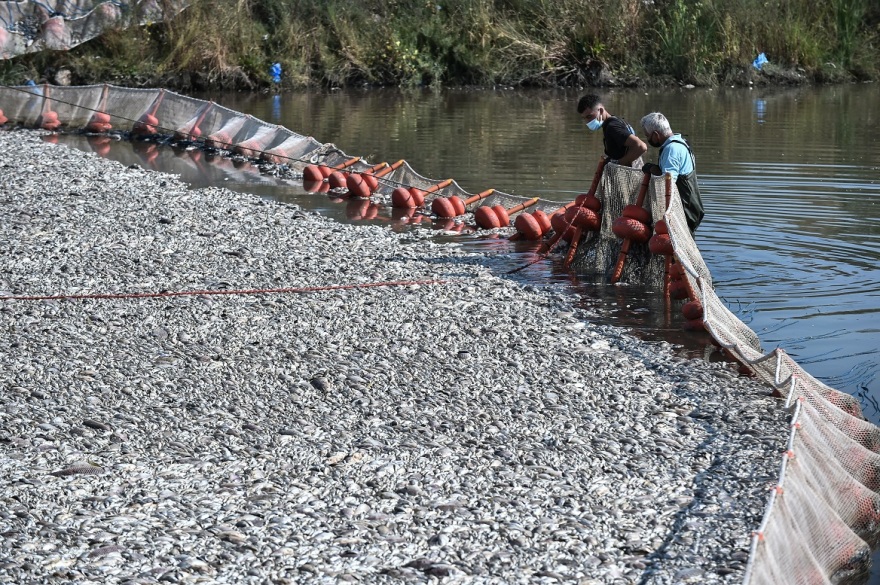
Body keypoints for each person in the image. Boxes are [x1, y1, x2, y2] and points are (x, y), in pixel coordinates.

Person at [639, 112, 704, 233]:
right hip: (690, 207)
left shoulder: (672, 149)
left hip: (684, 210)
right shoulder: (680, 142)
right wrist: (655, 169)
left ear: (656, 134)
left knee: (675, 247)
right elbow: (670, 175)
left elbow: (668, 183)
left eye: (648, 136)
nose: (647, 139)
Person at [577, 94, 647, 168]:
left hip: (628, 175)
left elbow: (641, 147)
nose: (587, 121)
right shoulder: (616, 121)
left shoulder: (613, 127)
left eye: (589, 116)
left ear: (600, 110)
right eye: (584, 118)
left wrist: (619, 164)